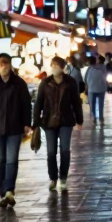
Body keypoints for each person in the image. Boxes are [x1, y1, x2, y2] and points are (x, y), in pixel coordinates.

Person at [0, 53, 32, 207]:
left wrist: (27, 123)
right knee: (0, 161)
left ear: (10, 65)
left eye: (6, 63)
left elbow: (26, 105)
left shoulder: (19, 84)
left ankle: (9, 190)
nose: (3, 66)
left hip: (15, 128)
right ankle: (3, 193)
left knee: (11, 160)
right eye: (0, 63)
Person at [33, 56, 84, 191]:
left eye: (57, 65)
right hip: (49, 122)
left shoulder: (71, 82)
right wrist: (36, 121)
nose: (54, 67)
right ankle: (53, 178)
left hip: (66, 121)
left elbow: (76, 103)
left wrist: (79, 120)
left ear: (62, 67)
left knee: (65, 150)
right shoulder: (45, 83)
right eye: (52, 65)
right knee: (51, 152)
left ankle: (63, 178)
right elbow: (39, 103)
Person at [84, 57, 109, 124]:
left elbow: (85, 79)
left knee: (92, 104)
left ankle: (95, 117)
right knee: (101, 104)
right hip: (101, 88)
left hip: (92, 89)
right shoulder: (104, 68)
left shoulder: (90, 68)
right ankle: (101, 117)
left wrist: (86, 87)